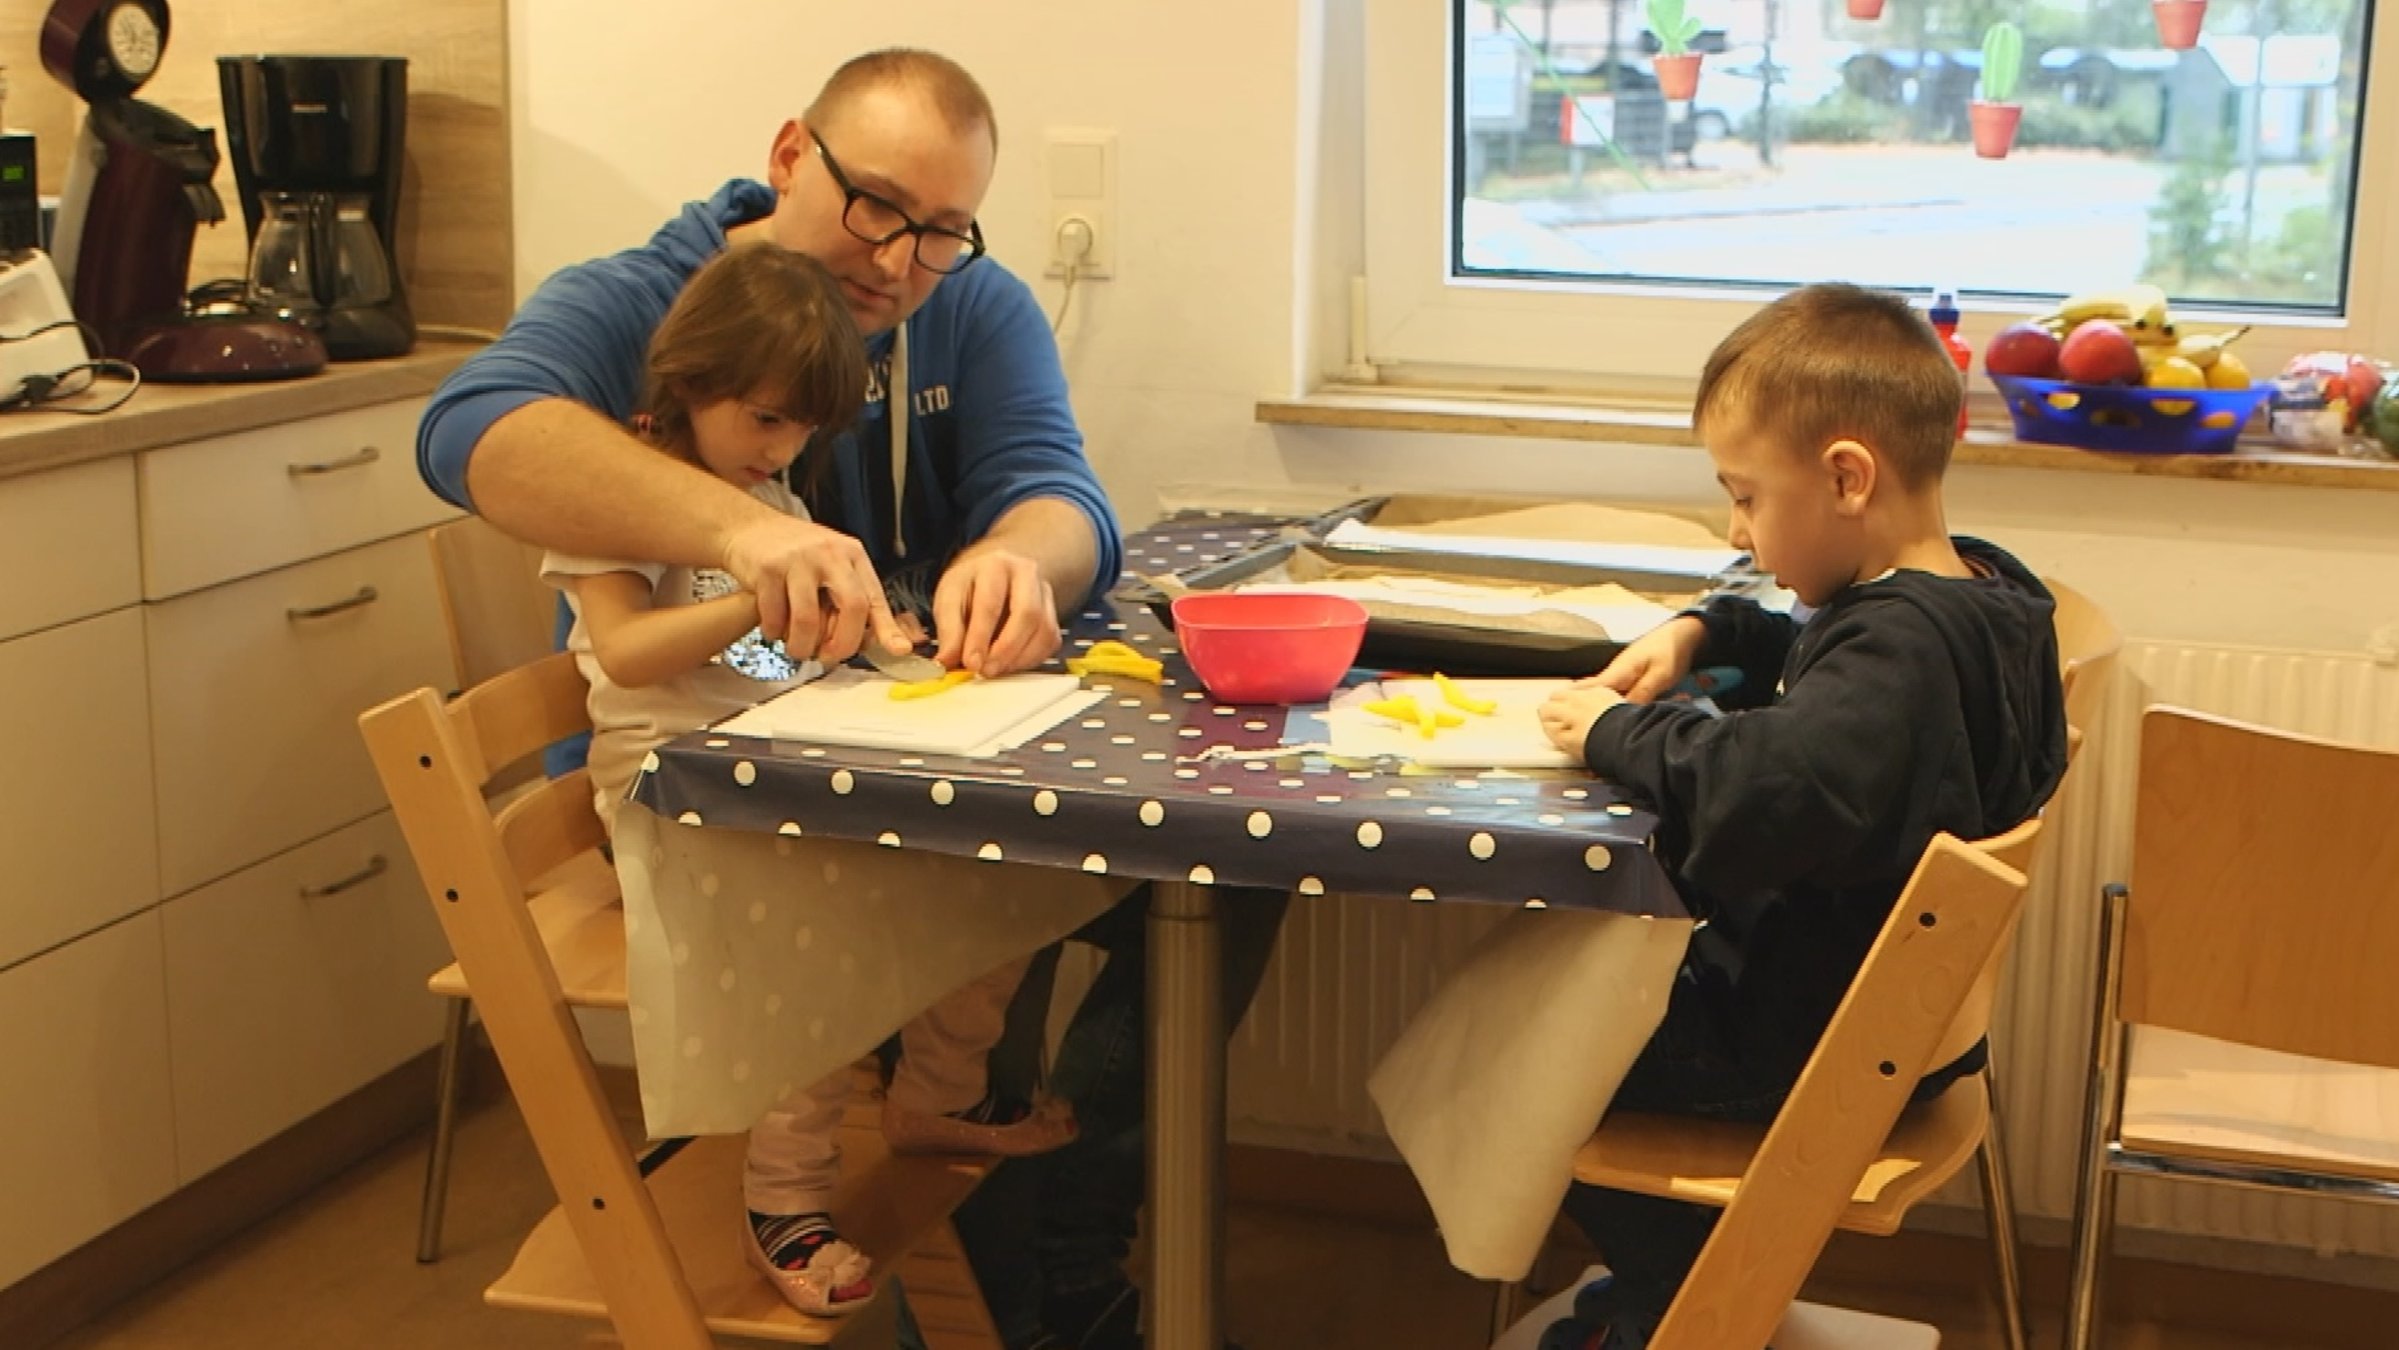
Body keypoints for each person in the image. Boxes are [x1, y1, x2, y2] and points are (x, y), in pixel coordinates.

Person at [416, 48, 1286, 1348]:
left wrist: (1017, 557)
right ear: (788, 157)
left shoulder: (968, 304)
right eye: (874, 204)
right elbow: (468, 430)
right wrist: (743, 536)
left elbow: (1063, 497)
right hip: (699, 794)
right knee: (980, 884)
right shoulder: (652, 301)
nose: (896, 258)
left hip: (833, 754)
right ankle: (1008, 1297)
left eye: (939, 230)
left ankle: (1063, 1238)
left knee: (1221, 870)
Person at [538, 243, 1081, 1316]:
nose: (781, 449)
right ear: (691, 379)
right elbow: (631, 652)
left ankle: (935, 1094)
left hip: (768, 774)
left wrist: (876, 641)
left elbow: (751, 661)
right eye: (765, 419)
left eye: (802, 431)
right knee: (832, 948)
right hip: (661, 797)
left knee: (1001, 870)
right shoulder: (617, 495)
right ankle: (784, 1198)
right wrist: (756, 592)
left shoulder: (767, 488)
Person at [1535, 282, 2069, 1347]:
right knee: (1554, 1023)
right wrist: (1709, 628)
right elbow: (1844, 675)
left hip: (1802, 1049)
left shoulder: (1895, 651)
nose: (1737, 529)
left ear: (1844, 477)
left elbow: (1762, 787)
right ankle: (1676, 1297)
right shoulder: (1987, 601)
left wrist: (1611, 731)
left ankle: (1677, 1309)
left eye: (1745, 497)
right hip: (1892, 1031)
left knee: (1535, 1066)